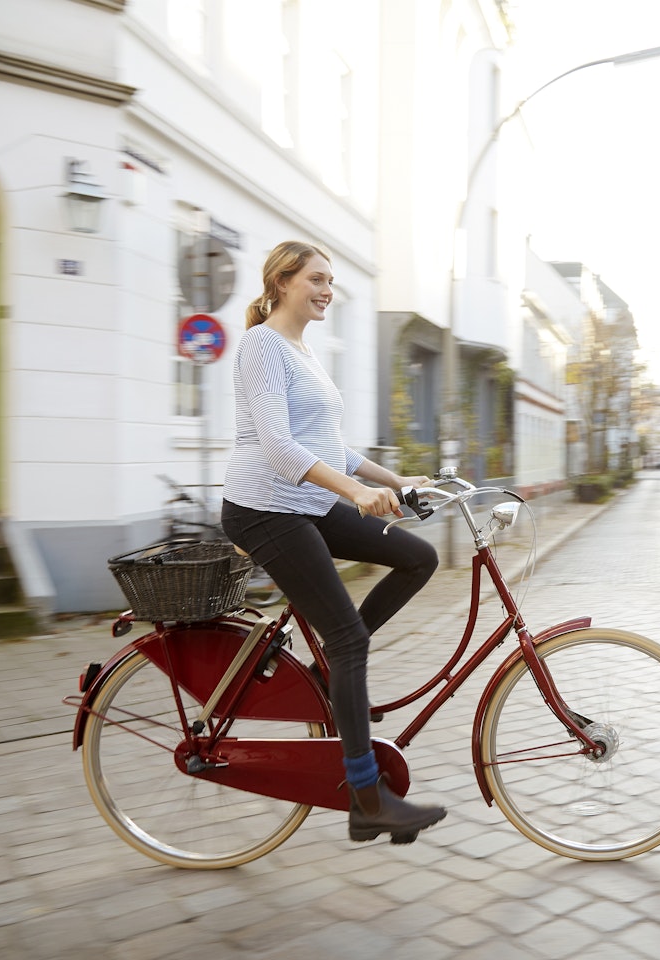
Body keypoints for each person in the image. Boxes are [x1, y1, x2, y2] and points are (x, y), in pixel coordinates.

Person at [220, 239, 446, 844]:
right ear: (282, 282)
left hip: (308, 502)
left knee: (417, 556)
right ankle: (367, 799)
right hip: (265, 509)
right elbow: (278, 448)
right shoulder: (262, 345)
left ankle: (332, 671)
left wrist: (396, 481)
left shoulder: (299, 348)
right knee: (347, 639)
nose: (325, 290)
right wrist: (351, 491)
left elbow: (329, 447)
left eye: (329, 282)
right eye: (316, 279)